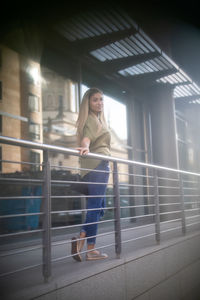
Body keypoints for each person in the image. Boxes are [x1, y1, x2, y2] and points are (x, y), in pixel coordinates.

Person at [71, 87, 111, 261]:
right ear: (88, 103)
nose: (99, 102)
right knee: (96, 207)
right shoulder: (91, 120)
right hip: (98, 167)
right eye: (95, 99)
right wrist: (85, 146)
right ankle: (89, 248)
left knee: (99, 208)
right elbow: (87, 138)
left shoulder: (97, 119)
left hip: (93, 168)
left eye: (101, 99)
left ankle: (83, 242)